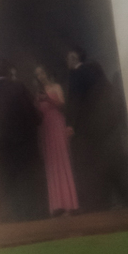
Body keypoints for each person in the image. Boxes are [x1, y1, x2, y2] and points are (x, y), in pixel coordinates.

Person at [66, 47, 128, 211]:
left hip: (92, 128)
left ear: (75, 58)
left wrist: (71, 124)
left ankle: (106, 202)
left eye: (69, 57)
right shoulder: (97, 71)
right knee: (117, 161)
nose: (67, 61)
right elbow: (109, 92)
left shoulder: (76, 75)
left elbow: (75, 101)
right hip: (109, 124)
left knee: (99, 165)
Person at [0, 64, 42, 221]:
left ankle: (14, 215)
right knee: (26, 179)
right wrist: (37, 121)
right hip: (22, 142)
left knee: (8, 180)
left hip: (1, 145)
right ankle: (29, 215)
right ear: (8, 72)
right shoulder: (18, 87)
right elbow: (31, 113)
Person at [34, 65, 78, 215]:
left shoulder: (56, 87)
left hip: (57, 124)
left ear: (46, 72)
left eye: (41, 72)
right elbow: (37, 112)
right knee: (51, 165)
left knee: (62, 160)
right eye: (37, 74)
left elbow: (63, 105)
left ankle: (69, 204)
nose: (40, 76)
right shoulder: (38, 92)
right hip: (45, 127)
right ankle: (57, 206)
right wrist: (38, 102)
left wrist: (48, 99)